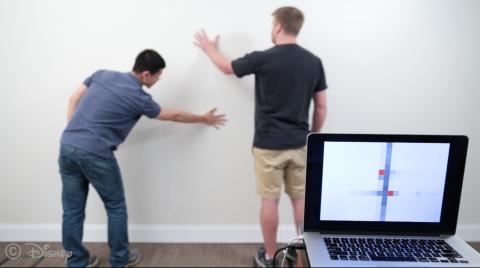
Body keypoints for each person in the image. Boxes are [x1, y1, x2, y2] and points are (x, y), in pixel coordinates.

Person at [59, 49, 226, 267]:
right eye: (158, 75)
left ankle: (76, 262)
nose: (159, 79)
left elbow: (73, 98)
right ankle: (120, 259)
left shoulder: (102, 74)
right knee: (115, 206)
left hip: (67, 145)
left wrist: (73, 131)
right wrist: (203, 118)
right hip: (96, 154)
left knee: (72, 210)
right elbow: (174, 115)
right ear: (146, 75)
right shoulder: (139, 98)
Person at [194, 6, 327, 267]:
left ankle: (269, 257)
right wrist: (313, 135)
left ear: (278, 27)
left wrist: (209, 46)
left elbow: (226, 67)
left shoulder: (264, 58)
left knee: (270, 200)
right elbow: (321, 106)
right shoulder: (313, 62)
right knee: (300, 200)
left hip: (268, 145)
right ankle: (302, 258)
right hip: (300, 144)